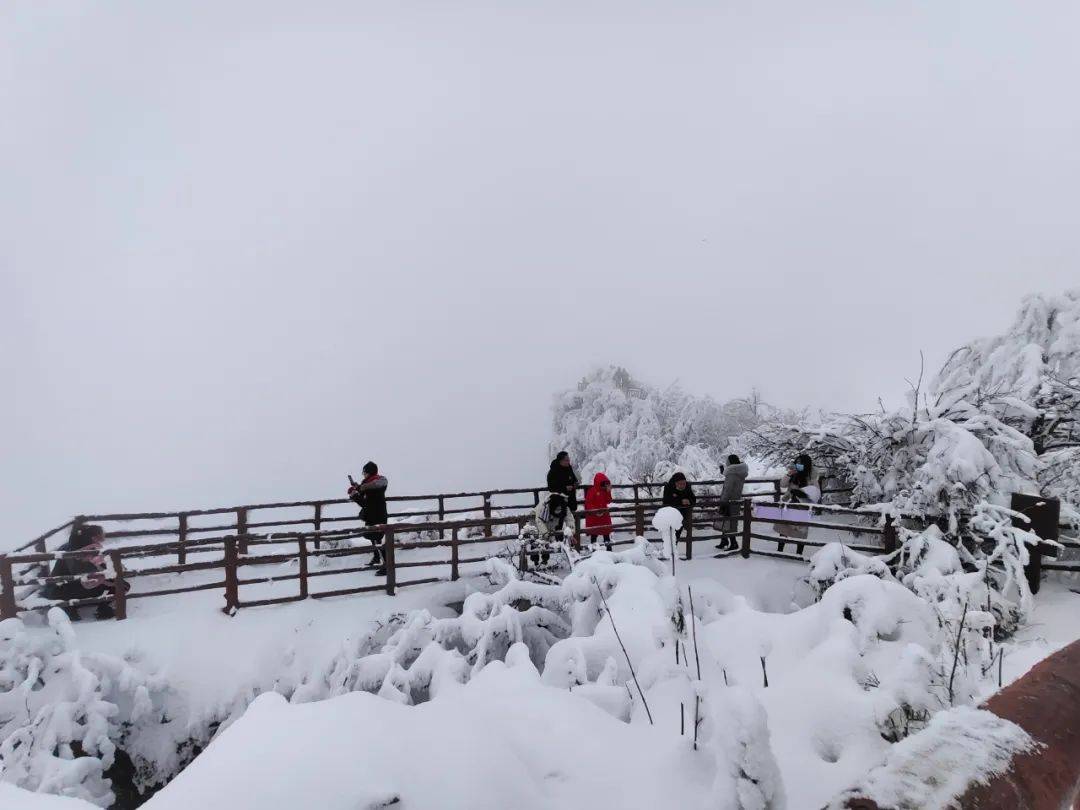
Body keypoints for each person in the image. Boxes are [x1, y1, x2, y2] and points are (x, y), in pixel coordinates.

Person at [42, 524, 126, 621]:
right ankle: (69, 609)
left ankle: (100, 607)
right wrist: (107, 574)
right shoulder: (80, 552)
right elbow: (86, 575)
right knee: (117, 585)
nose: (101, 540)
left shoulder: (81, 547)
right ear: (93, 538)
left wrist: (107, 569)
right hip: (60, 590)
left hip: (63, 588)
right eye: (100, 537)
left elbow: (101, 567)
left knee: (115, 584)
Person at [348, 461, 389, 576]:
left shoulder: (370, 487)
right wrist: (358, 488)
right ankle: (377, 558)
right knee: (374, 538)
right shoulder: (375, 484)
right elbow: (367, 496)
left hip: (375, 516)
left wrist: (354, 495)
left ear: (369, 473)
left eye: (364, 472)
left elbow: (365, 503)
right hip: (377, 515)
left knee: (377, 539)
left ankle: (387, 566)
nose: (363, 474)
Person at [715, 454, 749, 551]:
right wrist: (724, 472)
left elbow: (728, 489)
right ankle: (724, 541)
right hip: (736, 500)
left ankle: (734, 543)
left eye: (727, 462)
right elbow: (732, 480)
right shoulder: (739, 472)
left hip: (729, 501)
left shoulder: (732, 474)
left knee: (729, 522)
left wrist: (723, 502)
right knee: (729, 521)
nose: (726, 463)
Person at [546, 451, 579, 534]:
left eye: (569, 459)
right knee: (558, 525)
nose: (568, 461)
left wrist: (575, 484)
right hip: (558, 503)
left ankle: (572, 541)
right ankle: (558, 541)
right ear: (560, 461)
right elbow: (551, 487)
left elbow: (574, 480)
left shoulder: (569, 468)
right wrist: (564, 488)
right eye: (566, 460)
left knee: (571, 521)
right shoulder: (553, 472)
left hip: (570, 500)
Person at [584, 472, 614, 550]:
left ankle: (609, 550)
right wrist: (595, 511)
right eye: (604, 483)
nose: (605, 485)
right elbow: (588, 503)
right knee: (594, 534)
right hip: (594, 516)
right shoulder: (591, 491)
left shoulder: (605, 491)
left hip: (604, 515)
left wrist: (608, 491)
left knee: (606, 533)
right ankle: (594, 551)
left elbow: (609, 501)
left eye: (606, 483)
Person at [662, 472, 696, 539]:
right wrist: (681, 501)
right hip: (670, 515)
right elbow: (666, 501)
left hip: (682, 516)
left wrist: (689, 501)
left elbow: (693, 499)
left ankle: (673, 546)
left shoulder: (687, 486)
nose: (682, 486)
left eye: (684, 483)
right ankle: (668, 548)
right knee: (669, 537)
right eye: (680, 484)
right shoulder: (669, 487)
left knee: (676, 536)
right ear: (675, 483)